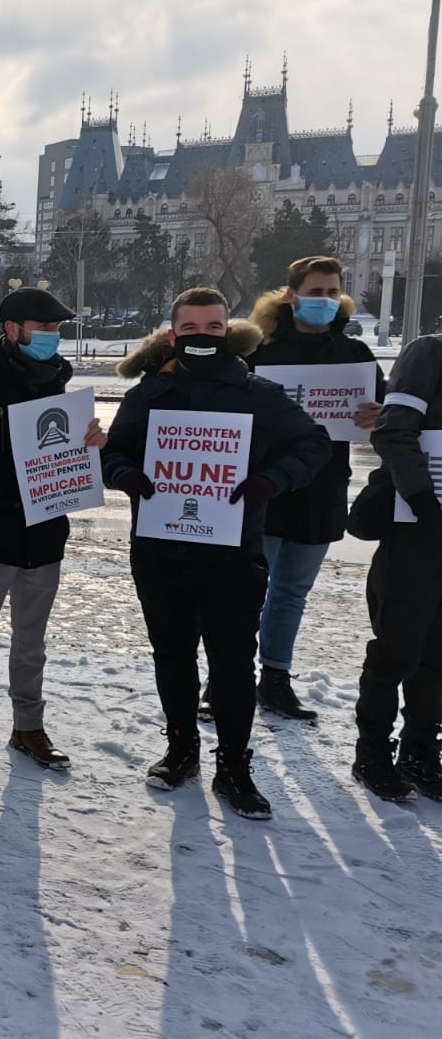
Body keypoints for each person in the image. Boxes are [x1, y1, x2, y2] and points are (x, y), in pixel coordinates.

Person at [102, 288, 330, 821]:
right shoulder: (149, 393)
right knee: (172, 656)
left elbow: (314, 443)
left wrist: (271, 481)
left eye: (213, 326)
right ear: (171, 333)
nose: (202, 336)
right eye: (191, 327)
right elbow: (112, 449)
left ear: (228, 331)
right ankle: (181, 747)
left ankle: (234, 766)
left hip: (232, 554)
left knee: (231, 664)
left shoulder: (258, 393)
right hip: (160, 552)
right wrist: (124, 474)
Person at [0, 285, 106, 776]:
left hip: (44, 539)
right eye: (44, 328)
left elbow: (69, 458)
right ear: (13, 329)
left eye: (56, 330)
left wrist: (95, 443)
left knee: (32, 644)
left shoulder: (57, 385)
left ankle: (28, 726)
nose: (52, 337)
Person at [245, 255, 383, 724]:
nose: (324, 301)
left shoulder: (355, 355)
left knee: (291, 592)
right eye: (315, 291)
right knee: (245, 590)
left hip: (322, 488)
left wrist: (376, 417)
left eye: (332, 292)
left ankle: (276, 679)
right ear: (291, 294)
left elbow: (381, 415)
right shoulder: (258, 351)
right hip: (261, 487)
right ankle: (227, 679)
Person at [348, 331, 442, 802]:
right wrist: (426, 505)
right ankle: (372, 755)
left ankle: (421, 751)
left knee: (438, 657)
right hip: (418, 530)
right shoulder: (430, 352)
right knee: (397, 650)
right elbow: (393, 430)